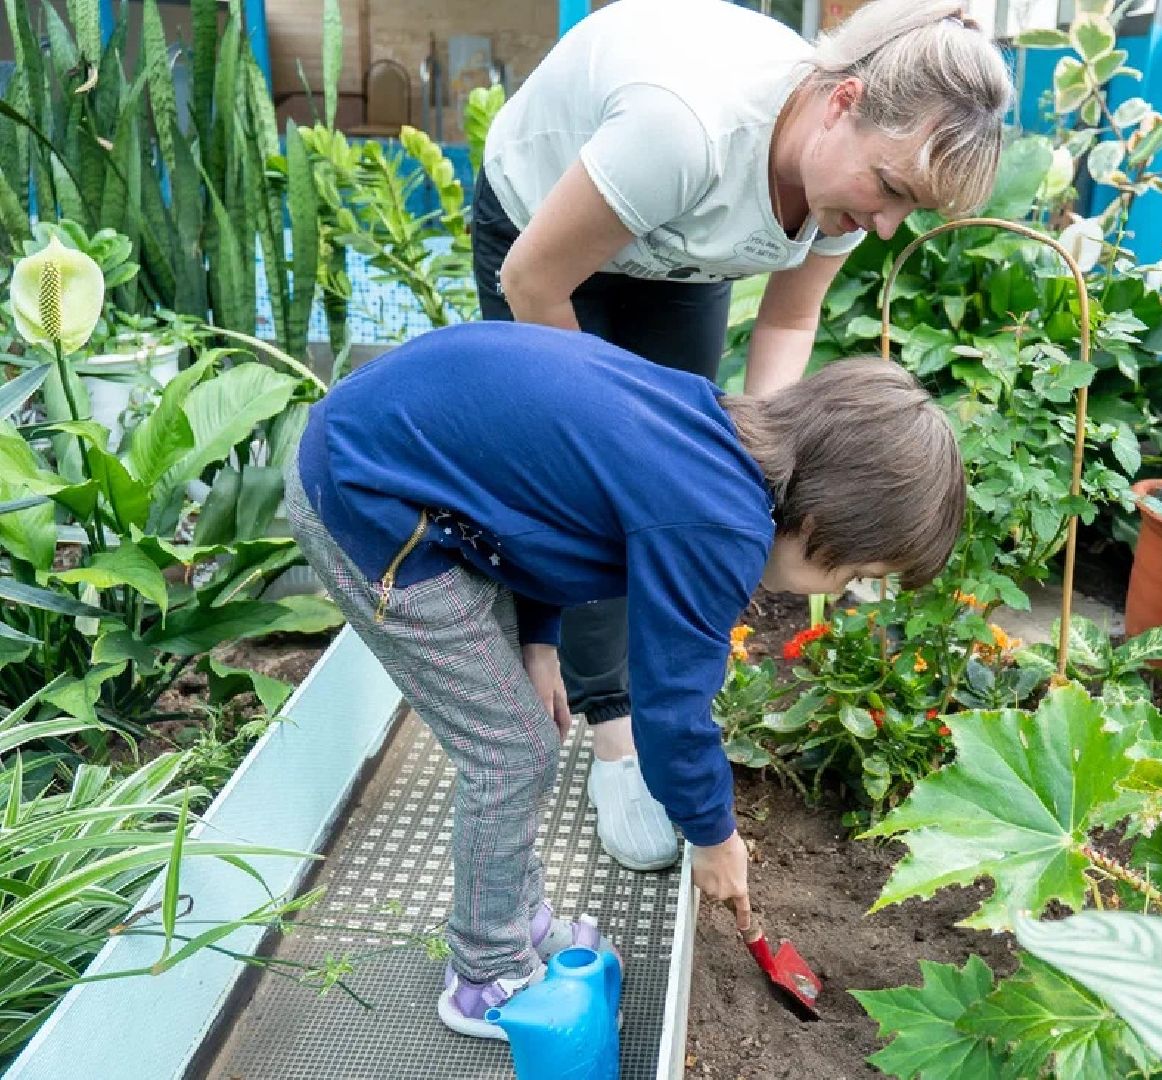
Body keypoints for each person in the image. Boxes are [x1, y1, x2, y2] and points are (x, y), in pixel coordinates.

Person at [283, 320, 965, 1039]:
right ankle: (482, 975)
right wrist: (713, 837)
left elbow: (539, 505)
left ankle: (512, 920)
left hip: (397, 461)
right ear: (825, 518)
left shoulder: (711, 436)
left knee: (524, 734)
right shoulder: (720, 525)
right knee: (510, 751)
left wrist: (539, 642)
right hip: (367, 498)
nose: (842, 587)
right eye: (855, 572)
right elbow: (671, 713)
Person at [471, 0, 1011, 872]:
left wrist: (763, 488)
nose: (885, 227)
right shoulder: (684, 129)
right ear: (842, 103)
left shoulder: (846, 191)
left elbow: (787, 326)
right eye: (891, 191)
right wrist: (611, 459)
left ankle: (641, 711)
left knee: (681, 468)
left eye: (910, 209)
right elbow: (532, 280)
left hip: (681, 246)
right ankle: (612, 737)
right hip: (547, 225)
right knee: (597, 485)